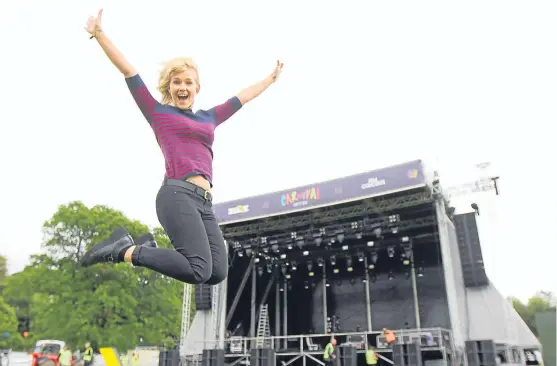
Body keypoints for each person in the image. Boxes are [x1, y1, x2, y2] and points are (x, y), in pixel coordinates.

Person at [79, 9, 283, 285]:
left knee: (217, 273)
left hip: (204, 203)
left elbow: (241, 98)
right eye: (177, 82)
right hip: (177, 194)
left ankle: (145, 249)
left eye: (188, 82)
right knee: (198, 270)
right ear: (169, 86)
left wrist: (269, 81)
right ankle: (124, 250)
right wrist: (100, 34)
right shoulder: (158, 113)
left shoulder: (208, 117)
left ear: (197, 88)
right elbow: (129, 71)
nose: (183, 87)